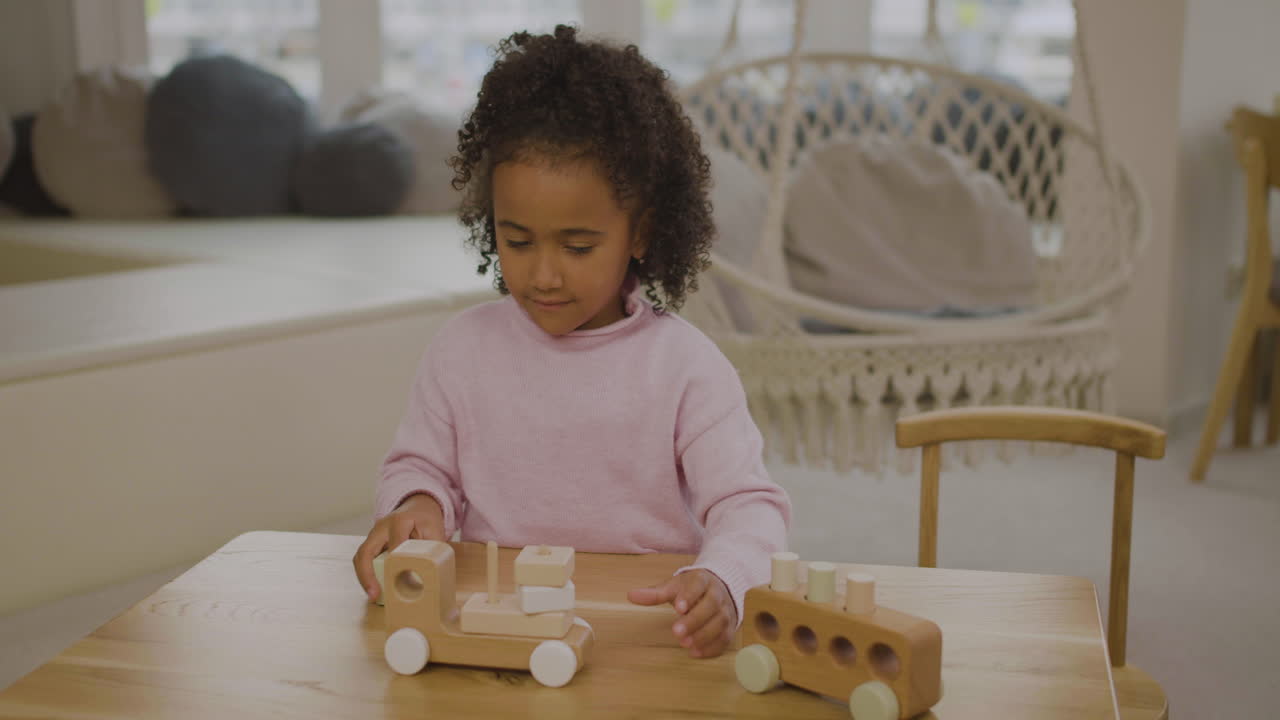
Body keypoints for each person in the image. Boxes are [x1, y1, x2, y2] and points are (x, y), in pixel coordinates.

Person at [352, 25, 790, 660]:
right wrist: (416, 504)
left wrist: (725, 579)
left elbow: (749, 505)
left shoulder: (686, 368)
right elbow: (418, 466)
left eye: (578, 246)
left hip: (641, 635)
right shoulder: (461, 350)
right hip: (486, 625)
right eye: (518, 240)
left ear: (639, 233)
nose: (543, 274)